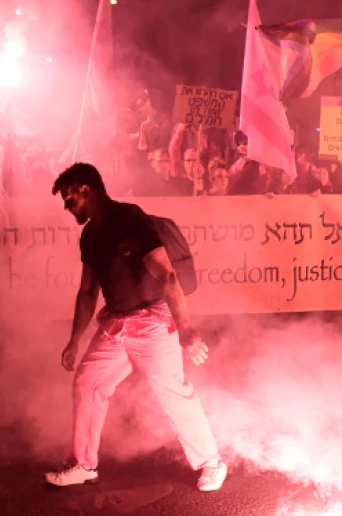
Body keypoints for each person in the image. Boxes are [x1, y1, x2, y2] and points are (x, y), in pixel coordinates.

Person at [45, 163, 227, 492]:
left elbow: (169, 276)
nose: (66, 206)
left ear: (88, 191)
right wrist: (74, 341)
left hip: (154, 323)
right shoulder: (89, 234)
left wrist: (185, 330)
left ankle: (212, 462)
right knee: (88, 382)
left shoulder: (129, 221)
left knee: (170, 391)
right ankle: (83, 464)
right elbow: (88, 292)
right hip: (115, 323)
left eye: (70, 198)